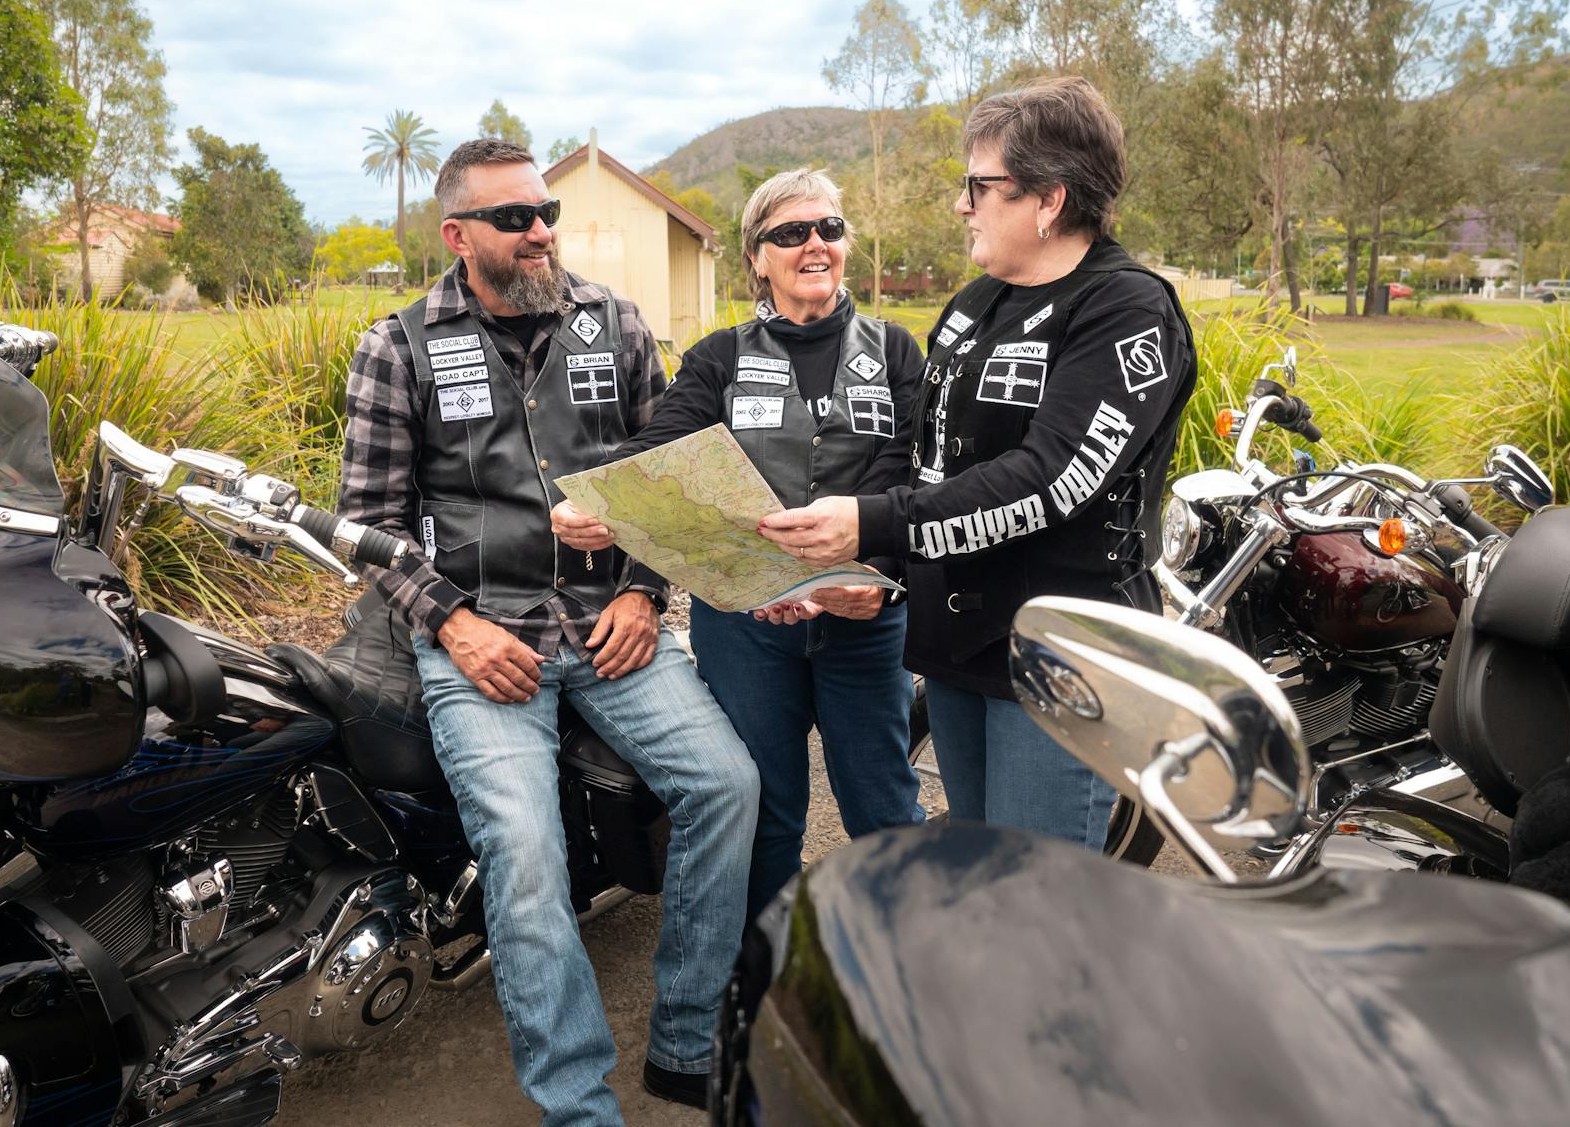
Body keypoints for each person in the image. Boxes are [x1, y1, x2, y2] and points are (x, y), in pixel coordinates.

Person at [338, 137, 759, 1125]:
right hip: (487, 649)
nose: (540, 232)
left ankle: (689, 1041)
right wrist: (457, 628)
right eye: (514, 218)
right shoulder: (397, 346)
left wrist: (645, 592)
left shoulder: (612, 324)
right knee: (524, 855)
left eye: (547, 214)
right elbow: (369, 528)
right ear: (457, 235)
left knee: (729, 788)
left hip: (613, 632)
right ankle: (578, 1103)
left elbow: (668, 482)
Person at [758, 77, 1197, 848]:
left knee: (1040, 901)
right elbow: (919, 453)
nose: (964, 205)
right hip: (959, 644)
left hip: (1062, 655)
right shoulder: (972, 305)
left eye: (979, 186)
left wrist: (868, 523)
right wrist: (863, 567)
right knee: (983, 866)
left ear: (1048, 200)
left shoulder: (1126, 309)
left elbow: (1053, 479)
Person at [553, 168, 925, 922]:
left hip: (861, 619)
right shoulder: (718, 358)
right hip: (748, 628)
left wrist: (879, 576)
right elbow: (655, 454)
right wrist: (596, 506)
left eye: (828, 228)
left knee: (881, 808)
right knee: (769, 813)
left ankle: (909, 975)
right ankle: (767, 982)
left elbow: (912, 477)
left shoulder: (894, 351)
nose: (814, 243)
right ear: (758, 258)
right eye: (791, 233)